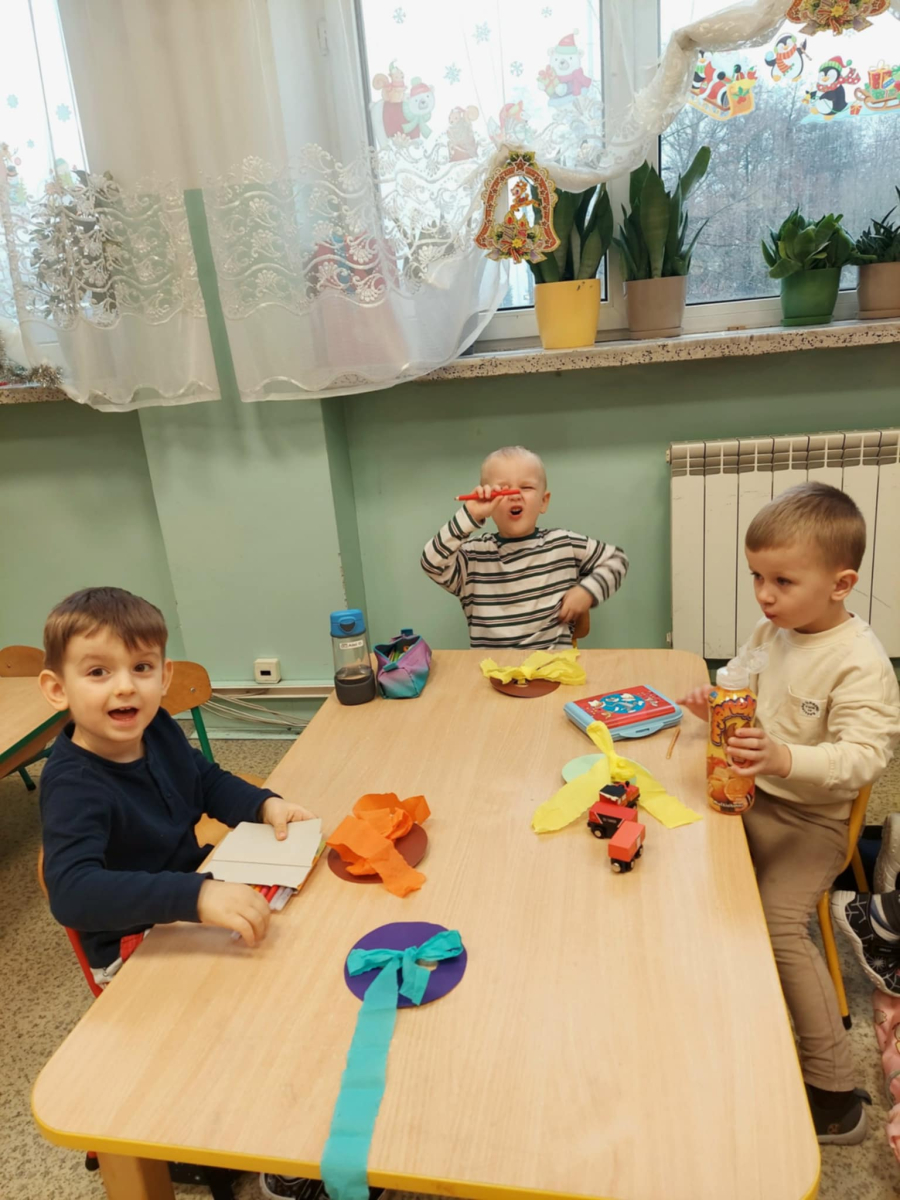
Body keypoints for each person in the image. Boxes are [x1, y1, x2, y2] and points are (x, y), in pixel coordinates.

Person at [37, 586, 321, 1200]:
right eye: (98, 672)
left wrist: (263, 804)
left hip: (188, 901)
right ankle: (275, 1154)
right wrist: (193, 896)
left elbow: (206, 781)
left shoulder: (159, 729)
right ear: (58, 690)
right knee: (266, 1005)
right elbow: (72, 892)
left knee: (301, 957)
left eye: (141, 668)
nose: (125, 688)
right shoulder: (73, 784)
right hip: (131, 945)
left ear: (164, 677)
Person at [678, 482, 900, 1145]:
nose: (764, 595)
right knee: (675, 851)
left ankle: (835, 1097)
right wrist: (716, 699)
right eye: (756, 577)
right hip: (755, 795)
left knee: (779, 925)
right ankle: (716, 999)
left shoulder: (859, 663)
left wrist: (782, 758)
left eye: (782, 581)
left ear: (841, 584)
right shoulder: (772, 630)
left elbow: (865, 759)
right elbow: (743, 679)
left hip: (814, 823)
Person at [421, 445, 628, 650]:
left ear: (543, 501)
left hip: (553, 666)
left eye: (526, 487)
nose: (515, 495)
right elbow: (431, 563)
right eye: (503, 489)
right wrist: (470, 515)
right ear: (487, 503)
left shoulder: (564, 544)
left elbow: (617, 560)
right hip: (491, 668)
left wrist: (587, 592)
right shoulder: (473, 556)